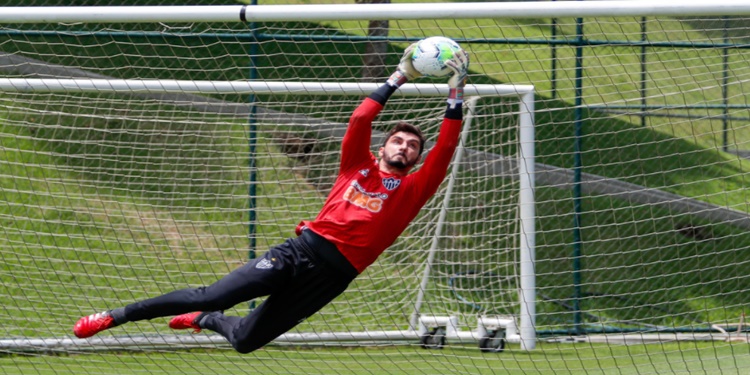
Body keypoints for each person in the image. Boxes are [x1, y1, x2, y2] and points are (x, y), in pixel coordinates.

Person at [73, 44, 469, 354]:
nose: (404, 147)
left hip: (333, 277)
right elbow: (360, 121)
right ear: (383, 148)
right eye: (397, 141)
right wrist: (399, 75)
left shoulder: (416, 189)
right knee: (214, 294)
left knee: (246, 341)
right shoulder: (356, 166)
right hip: (299, 251)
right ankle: (115, 316)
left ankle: (206, 321)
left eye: (413, 145)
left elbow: (447, 146)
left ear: (418, 157)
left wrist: (456, 90)